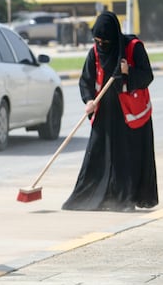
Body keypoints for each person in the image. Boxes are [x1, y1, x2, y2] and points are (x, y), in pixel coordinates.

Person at [62, 11, 157, 211]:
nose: (101, 45)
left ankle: (125, 199)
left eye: (104, 42)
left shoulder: (133, 48)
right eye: (97, 41)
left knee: (126, 156)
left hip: (130, 114)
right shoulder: (95, 52)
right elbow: (86, 81)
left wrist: (127, 72)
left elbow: (147, 75)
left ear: (114, 38)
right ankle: (94, 198)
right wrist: (89, 100)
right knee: (99, 154)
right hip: (104, 112)